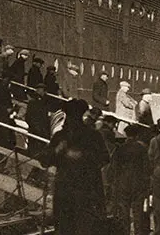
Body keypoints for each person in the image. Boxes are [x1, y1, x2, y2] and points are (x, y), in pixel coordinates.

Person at [40, 98, 109, 235]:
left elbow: (45, 160)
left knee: (71, 227)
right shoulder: (92, 135)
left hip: (75, 190)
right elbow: (105, 158)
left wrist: (80, 157)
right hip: (80, 190)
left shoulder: (84, 136)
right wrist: (57, 151)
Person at [114, 123, 150, 235]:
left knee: (124, 212)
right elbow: (147, 167)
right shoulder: (142, 149)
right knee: (138, 212)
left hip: (123, 182)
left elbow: (115, 167)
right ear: (137, 136)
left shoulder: (120, 148)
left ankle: (125, 232)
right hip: (138, 182)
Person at [25, 83, 50, 157]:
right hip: (38, 129)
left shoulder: (42, 102)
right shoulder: (35, 102)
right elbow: (28, 117)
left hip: (38, 129)